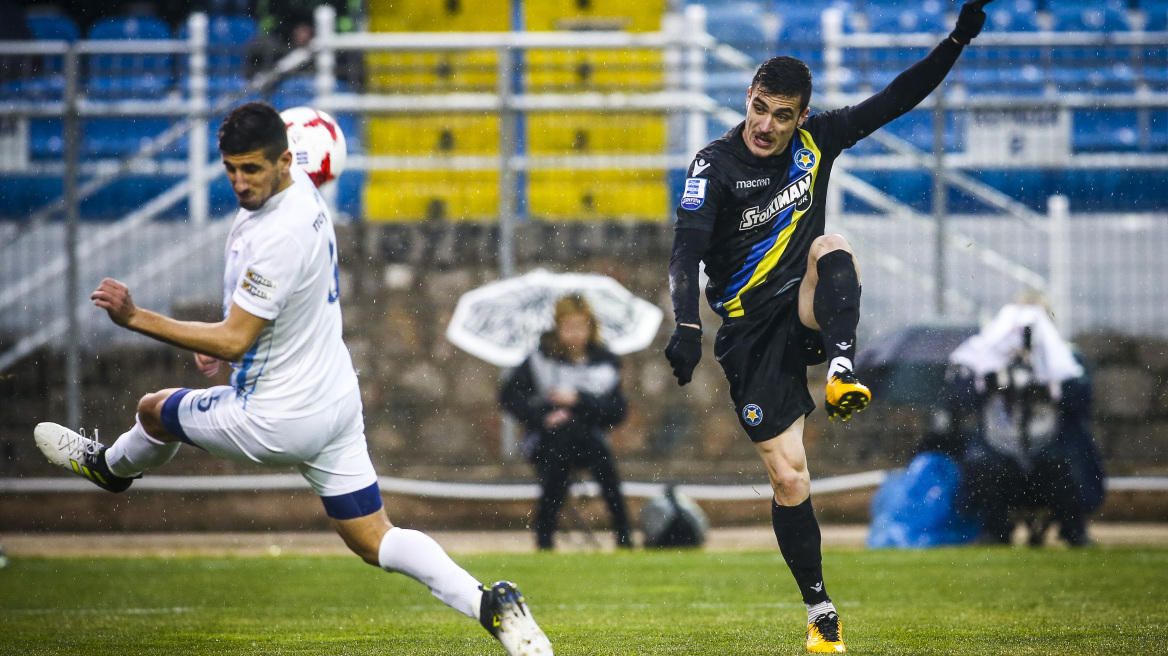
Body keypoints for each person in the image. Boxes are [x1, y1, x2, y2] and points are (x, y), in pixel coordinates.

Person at [33, 101, 552, 656]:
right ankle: (490, 603)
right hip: (332, 400)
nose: (239, 181)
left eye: (251, 169)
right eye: (229, 168)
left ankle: (109, 468)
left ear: (284, 161)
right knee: (375, 539)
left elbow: (234, 337)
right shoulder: (300, 188)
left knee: (153, 410)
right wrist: (229, 343)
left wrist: (138, 318)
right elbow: (249, 327)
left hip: (277, 417)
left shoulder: (279, 234)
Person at [662, 1, 998, 651]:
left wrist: (955, 40)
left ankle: (842, 368)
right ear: (749, 98)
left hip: (804, 308)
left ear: (801, 117)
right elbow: (686, 249)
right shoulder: (714, 166)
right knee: (790, 479)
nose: (766, 125)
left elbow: (897, 98)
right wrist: (685, 324)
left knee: (831, 245)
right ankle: (821, 616)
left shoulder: (820, 142)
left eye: (782, 115)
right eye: (759, 107)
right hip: (748, 336)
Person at [500, 294, 633, 551]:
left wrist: (578, 401)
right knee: (558, 459)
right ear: (558, 327)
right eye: (569, 326)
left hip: (589, 439)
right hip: (548, 440)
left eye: (581, 326)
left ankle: (624, 535)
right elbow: (510, 397)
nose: (575, 334)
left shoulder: (604, 363)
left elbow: (616, 411)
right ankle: (545, 537)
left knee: (604, 467)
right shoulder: (540, 359)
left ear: (591, 327)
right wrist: (543, 416)